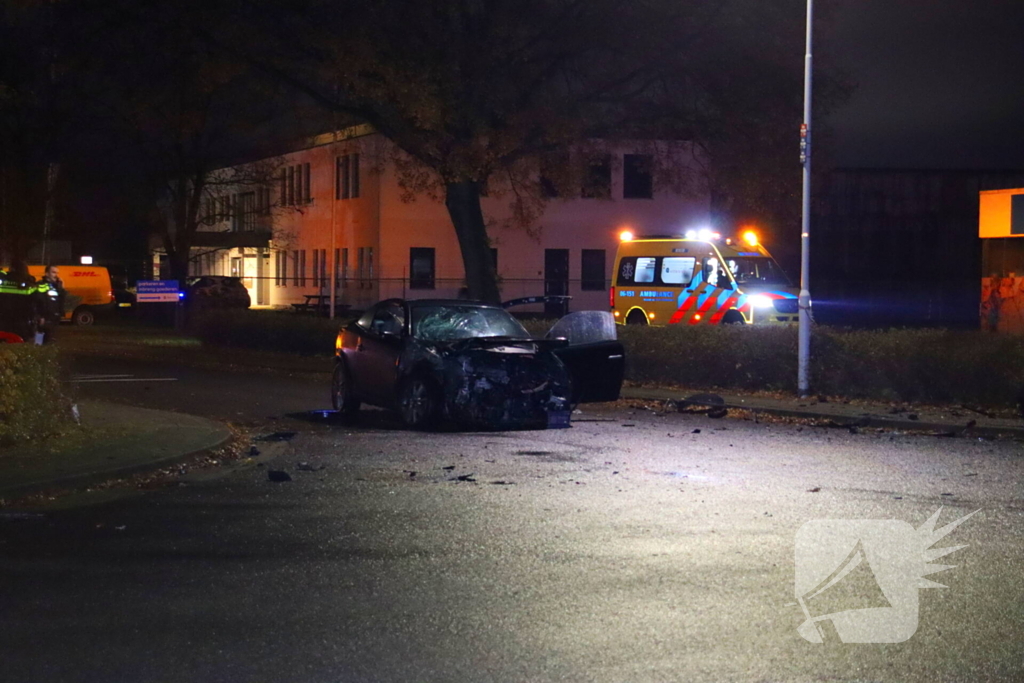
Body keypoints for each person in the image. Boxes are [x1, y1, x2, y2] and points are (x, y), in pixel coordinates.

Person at [37, 264, 65, 343]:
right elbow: (39, 301)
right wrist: (41, 316)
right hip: (45, 317)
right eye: (53, 272)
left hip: (54, 317)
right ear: (47, 274)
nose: (56, 275)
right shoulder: (41, 285)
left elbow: (61, 300)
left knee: (50, 340)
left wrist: (62, 288)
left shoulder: (57, 285)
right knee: (40, 340)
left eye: (57, 273)